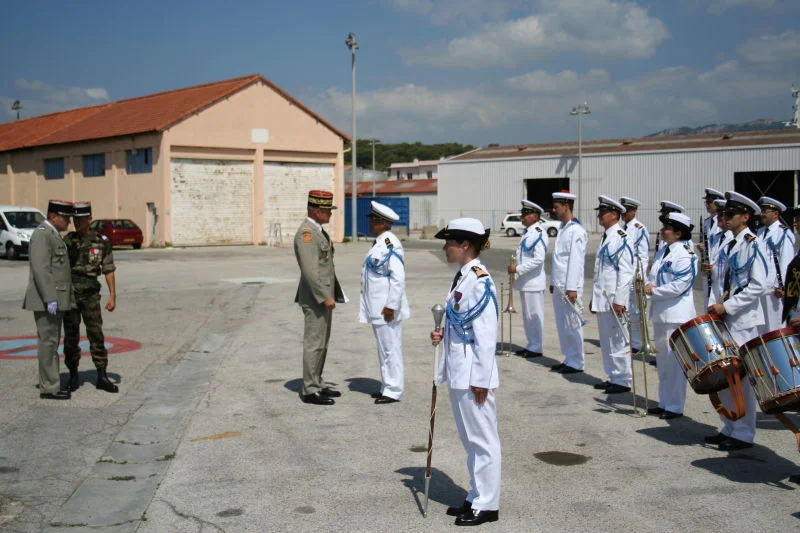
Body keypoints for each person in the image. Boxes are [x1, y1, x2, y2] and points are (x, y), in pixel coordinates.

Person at [430, 218, 500, 527]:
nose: (445, 247)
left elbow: (486, 335)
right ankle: (475, 496)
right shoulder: (464, 277)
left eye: (449, 242)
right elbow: (462, 323)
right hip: (459, 369)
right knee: (469, 439)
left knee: (483, 439)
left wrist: (482, 380)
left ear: (465, 245)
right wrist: (442, 334)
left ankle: (488, 504)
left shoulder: (480, 279)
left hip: (473, 373)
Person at [706, 191, 768, 451]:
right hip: (722, 318)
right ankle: (729, 424)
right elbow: (720, 280)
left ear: (745, 217)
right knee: (723, 374)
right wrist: (714, 306)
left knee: (740, 377)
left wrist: (727, 306)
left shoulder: (754, 243)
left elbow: (759, 286)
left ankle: (744, 433)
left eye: (730, 214)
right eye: (723, 214)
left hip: (742, 320)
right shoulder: (726, 243)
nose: (725, 218)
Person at [294, 190, 345, 406]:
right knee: (314, 343)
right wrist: (325, 296)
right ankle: (309, 389)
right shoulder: (307, 234)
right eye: (327, 211)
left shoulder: (318, 231)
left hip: (323, 295)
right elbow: (310, 271)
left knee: (322, 342)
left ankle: (317, 381)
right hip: (316, 297)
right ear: (316, 211)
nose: (330, 214)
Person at [645, 213, 698, 419]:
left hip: (676, 314)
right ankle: (664, 401)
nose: (662, 230)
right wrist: (649, 285)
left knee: (675, 364)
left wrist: (653, 291)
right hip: (661, 312)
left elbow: (681, 285)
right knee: (663, 362)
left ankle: (675, 406)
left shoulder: (686, 253)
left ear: (678, 233)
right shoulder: (663, 251)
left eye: (667, 228)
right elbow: (653, 276)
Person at [62, 201, 119, 393]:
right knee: (71, 336)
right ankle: (73, 375)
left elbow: (109, 269)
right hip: (70, 295)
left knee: (96, 334)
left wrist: (112, 296)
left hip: (91, 295)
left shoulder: (101, 241)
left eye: (81, 219)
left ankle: (102, 375)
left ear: (90, 219)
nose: (77, 223)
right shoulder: (68, 241)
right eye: (75, 220)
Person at [22, 200, 75, 400]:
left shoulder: (52, 234)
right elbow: (41, 269)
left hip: (54, 300)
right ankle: (49, 387)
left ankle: (52, 384)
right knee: (48, 343)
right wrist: (50, 298)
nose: (69, 222)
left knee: (52, 343)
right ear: (54, 216)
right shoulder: (43, 234)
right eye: (66, 217)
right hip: (47, 301)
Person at [359, 201, 410, 404]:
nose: (370, 223)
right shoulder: (381, 241)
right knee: (384, 349)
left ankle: (394, 390)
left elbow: (398, 278)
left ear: (381, 222)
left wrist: (391, 306)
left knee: (390, 349)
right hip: (378, 307)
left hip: (385, 308)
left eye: (373, 220)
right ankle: (387, 386)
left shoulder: (390, 243)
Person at [591, 196, 635, 394]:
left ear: (615, 215)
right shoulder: (607, 236)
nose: (599, 215)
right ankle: (613, 375)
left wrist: (620, 300)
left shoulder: (621, 237)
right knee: (607, 339)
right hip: (603, 297)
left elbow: (626, 272)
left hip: (614, 299)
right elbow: (601, 271)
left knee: (618, 339)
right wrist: (595, 296)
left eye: (603, 212)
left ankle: (623, 379)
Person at [549, 192, 588, 374]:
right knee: (562, 325)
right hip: (559, 284)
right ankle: (569, 357)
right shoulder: (563, 228)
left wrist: (572, 287)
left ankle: (577, 361)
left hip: (570, 286)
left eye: (556, 206)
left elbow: (575, 261)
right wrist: (553, 280)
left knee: (573, 325)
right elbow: (558, 259)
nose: (554, 210)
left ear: (566, 205)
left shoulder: (576, 231)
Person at [508, 200, 546, 358]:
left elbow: (539, 259)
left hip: (534, 282)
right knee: (528, 317)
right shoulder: (528, 232)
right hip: (526, 282)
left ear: (535, 216)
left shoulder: (539, 232)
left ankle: (536, 347)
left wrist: (518, 269)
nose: (522, 217)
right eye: (523, 214)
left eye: (525, 214)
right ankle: (531, 344)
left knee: (535, 316)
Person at [756, 196, 795, 333]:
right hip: (760, 287)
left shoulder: (784, 233)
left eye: (765, 211)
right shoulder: (760, 232)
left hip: (775, 290)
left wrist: (782, 285)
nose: (762, 214)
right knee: (761, 329)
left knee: (775, 329)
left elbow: (787, 261)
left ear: (776, 213)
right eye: (762, 210)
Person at [619, 197, 649, 353]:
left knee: (636, 311)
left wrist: (640, 278)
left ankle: (638, 343)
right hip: (624, 275)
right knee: (627, 309)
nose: (624, 214)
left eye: (627, 211)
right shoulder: (622, 229)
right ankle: (630, 340)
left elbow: (643, 256)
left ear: (633, 211)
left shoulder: (639, 228)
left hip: (634, 275)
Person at [700, 188, 725, 308]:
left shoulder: (724, 222)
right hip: (708, 267)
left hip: (719, 267)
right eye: (706, 202)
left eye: (710, 202)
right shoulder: (707, 222)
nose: (707, 205)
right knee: (707, 301)